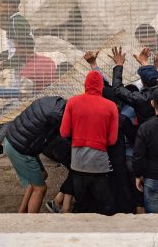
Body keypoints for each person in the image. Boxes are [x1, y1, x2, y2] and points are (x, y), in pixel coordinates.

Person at [59, 68, 119, 215]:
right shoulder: (111, 106)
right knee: (106, 207)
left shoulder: (72, 102)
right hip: (99, 164)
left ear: (85, 84)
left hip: (78, 163)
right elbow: (112, 140)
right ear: (101, 86)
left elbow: (64, 132)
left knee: (82, 206)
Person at [3, 95, 66, 213]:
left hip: (14, 141)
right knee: (40, 189)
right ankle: (31, 222)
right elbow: (65, 134)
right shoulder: (58, 115)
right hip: (20, 148)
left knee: (42, 175)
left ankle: (21, 214)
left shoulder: (55, 102)